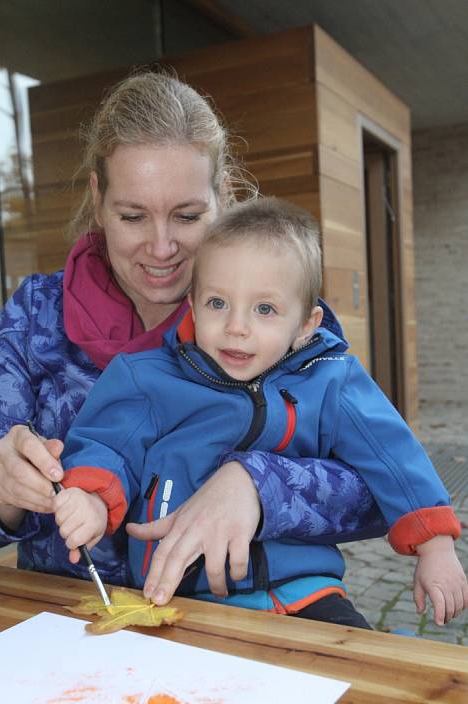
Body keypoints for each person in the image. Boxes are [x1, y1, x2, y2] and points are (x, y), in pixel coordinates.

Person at [0, 71, 385, 623]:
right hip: (74, 629)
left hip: (252, 617)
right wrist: (3, 492)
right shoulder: (35, 318)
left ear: (223, 198)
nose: (161, 247)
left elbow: (381, 483)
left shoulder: (278, 314)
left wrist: (258, 486)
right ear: (97, 200)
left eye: (187, 216)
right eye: (132, 216)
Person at [54, 197, 467, 628]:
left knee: (358, 676)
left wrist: (435, 545)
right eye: (218, 303)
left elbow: (394, 456)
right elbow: (106, 443)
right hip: (178, 596)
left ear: (307, 325)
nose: (237, 326)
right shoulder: (149, 378)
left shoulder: (331, 381)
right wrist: (92, 498)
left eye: (264, 309)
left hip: (306, 591)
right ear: (192, 305)